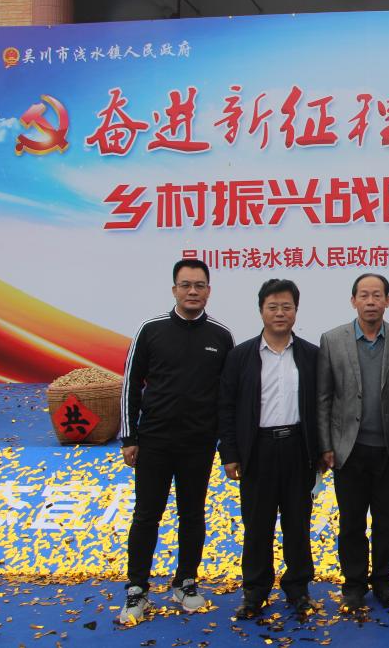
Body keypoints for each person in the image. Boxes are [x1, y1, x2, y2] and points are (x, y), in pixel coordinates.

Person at [116, 259, 235, 624]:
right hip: (154, 441)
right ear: (174, 290)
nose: (192, 291)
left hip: (198, 444)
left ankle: (186, 581)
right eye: (186, 285)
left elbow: (228, 395)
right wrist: (129, 437)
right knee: (146, 515)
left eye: (199, 285)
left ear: (209, 291)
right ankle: (137, 588)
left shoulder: (221, 336)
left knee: (192, 514)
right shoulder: (150, 330)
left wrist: (225, 443)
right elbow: (130, 384)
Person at [218, 279, 321, 621]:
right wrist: (230, 453)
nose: (280, 313)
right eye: (272, 307)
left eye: (286, 307)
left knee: (297, 524)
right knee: (257, 525)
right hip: (257, 450)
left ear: (296, 311)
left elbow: (321, 406)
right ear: (261, 310)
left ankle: (298, 589)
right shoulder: (241, 356)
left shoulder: (310, 355)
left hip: (297, 448)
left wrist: (321, 451)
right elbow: (226, 407)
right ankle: (255, 590)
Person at [317, 273, 389, 612]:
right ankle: (353, 584)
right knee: (351, 522)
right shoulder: (332, 340)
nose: (371, 302)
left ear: (388, 300)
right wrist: (326, 445)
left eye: (377, 295)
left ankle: (384, 582)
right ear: (353, 300)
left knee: (387, 521)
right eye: (364, 295)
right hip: (348, 450)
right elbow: (324, 397)